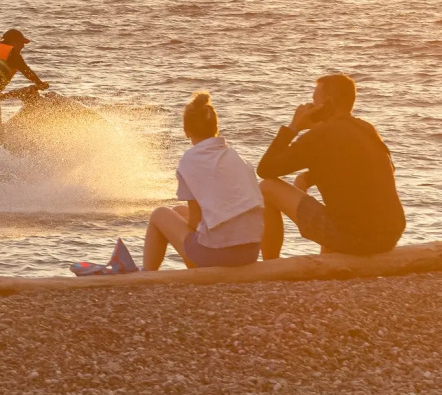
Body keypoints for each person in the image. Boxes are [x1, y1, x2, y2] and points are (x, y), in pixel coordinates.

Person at [257, 73, 405, 258]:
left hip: (356, 239)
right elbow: (360, 170)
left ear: (327, 103)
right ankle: (329, 257)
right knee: (342, 211)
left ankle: (271, 265)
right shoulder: (366, 129)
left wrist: (294, 127)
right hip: (389, 236)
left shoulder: (321, 137)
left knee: (267, 188)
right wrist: (307, 178)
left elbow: (265, 169)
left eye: (313, 102)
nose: (310, 108)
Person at [144, 92, 265, 270]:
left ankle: (146, 274)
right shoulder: (236, 157)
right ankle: (196, 270)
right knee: (177, 211)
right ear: (216, 128)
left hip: (220, 255)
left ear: (186, 131)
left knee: (159, 214)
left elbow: (194, 221)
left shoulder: (189, 160)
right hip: (251, 251)